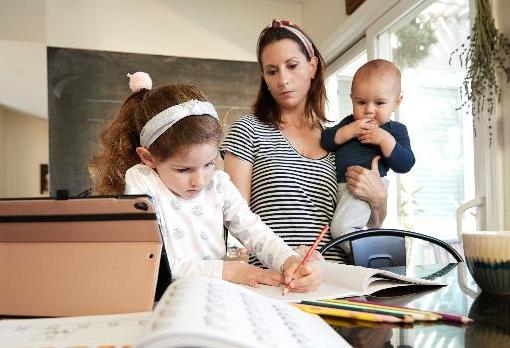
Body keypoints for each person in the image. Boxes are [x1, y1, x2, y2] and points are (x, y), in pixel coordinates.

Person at [89, 72, 321, 292]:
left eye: (209, 164)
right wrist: (230, 271)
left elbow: (254, 231)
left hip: (211, 294)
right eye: (183, 169)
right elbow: (160, 265)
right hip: (161, 296)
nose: (199, 180)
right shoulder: (143, 180)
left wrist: (288, 260)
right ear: (148, 157)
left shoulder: (218, 184)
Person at [221, 19, 388, 265]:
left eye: (292, 65)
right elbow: (236, 223)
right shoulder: (247, 131)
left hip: (337, 279)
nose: (283, 79)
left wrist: (378, 201)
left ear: (312, 67)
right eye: (272, 71)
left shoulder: (339, 140)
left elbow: (366, 224)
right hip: (276, 279)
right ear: (264, 78)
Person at [321, 59, 415, 238]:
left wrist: (384, 139)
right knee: (337, 227)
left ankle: (367, 257)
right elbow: (326, 141)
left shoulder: (395, 130)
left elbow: (406, 164)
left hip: (366, 187)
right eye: (361, 102)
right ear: (352, 99)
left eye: (379, 103)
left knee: (342, 231)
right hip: (340, 188)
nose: (369, 110)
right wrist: (350, 131)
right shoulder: (349, 123)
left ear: (397, 102)